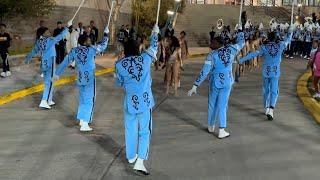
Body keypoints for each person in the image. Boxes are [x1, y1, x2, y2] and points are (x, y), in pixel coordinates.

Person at [114, 25, 159, 175]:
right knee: (145, 131)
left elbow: (119, 83)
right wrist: (155, 33)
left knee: (130, 129)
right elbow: (154, 47)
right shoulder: (145, 58)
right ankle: (140, 161)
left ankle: (131, 156)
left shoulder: (119, 65)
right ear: (138, 48)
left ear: (125, 51)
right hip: (145, 102)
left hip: (129, 102)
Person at [187, 30, 245, 139]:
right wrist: (241, 32)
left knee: (212, 104)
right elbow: (242, 43)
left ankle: (211, 126)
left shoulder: (212, 55)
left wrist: (195, 85)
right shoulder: (232, 49)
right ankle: (222, 130)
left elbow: (204, 72)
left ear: (218, 44)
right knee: (223, 106)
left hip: (215, 82)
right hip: (227, 82)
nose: (210, 44)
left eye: (213, 42)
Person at [54, 26, 109, 132]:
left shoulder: (74, 51)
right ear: (84, 42)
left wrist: (57, 74)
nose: (90, 41)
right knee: (89, 100)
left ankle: (81, 119)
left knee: (83, 99)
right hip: (90, 79)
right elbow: (103, 46)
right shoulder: (92, 49)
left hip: (80, 78)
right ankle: (84, 123)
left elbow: (65, 62)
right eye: (88, 40)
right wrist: (106, 34)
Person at [239, 29, 293, 120]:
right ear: (276, 38)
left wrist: (241, 60)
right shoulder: (280, 46)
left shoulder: (264, 47)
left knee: (265, 90)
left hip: (266, 72)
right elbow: (288, 40)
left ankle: (267, 107)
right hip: (275, 72)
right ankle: (271, 109)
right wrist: (290, 32)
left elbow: (253, 54)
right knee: (274, 91)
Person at [25, 20, 72, 109]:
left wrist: (27, 58)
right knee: (49, 82)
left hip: (44, 64)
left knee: (49, 81)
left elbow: (33, 51)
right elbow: (60, 36)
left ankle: (49, 99)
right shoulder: (50, 40)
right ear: (43, 33)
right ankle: (44, 101)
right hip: (50, 63)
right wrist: (67, 27)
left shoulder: (39, 41)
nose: (49, 32)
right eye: (47, 31)